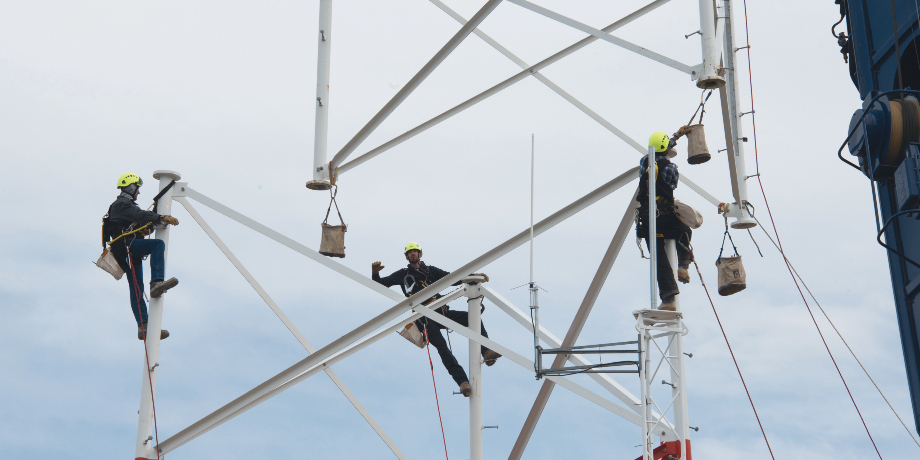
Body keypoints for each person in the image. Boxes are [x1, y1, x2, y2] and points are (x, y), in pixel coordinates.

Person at [372, 242, 501, 397]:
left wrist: (473, 277)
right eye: (410, 252)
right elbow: (380, 284)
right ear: (406, 256)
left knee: (472, 318)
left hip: (441, 311)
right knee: (442, 347)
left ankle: (486, 352)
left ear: (420, 254)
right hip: (424, 318)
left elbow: (452, 278)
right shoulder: (403, 275)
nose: (412, 254)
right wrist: (375, 274)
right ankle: (463, 382)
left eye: (415, 251)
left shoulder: (430, 271)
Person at [104, 173, 180, 340]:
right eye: (137, 189)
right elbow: (139, 215)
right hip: (126, 248)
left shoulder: (125, 207)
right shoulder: (122, 205)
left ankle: (144, 327)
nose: (138, 193)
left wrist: (153, 221)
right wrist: (160, 217)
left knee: (137, 287)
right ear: (131, 188)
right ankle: (156, 283)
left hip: (128, 250)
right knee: (157, 245)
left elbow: (142, 222)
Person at [636, 132, 693, 311]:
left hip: (648, 220)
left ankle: (668, 299)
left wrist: (675, 137)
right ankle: (683, 265)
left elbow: (659, 149)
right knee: (684, 230)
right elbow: (672, 184)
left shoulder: (644, 162)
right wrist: (672, 142)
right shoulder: (670, 167)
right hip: (666, 217)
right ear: (667, 149)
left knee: (658, 257)